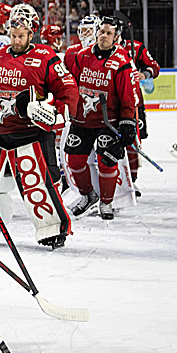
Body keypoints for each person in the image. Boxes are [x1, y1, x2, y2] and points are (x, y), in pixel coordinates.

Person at [0, 3, 79, 249]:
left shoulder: (46, 56)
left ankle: (51, 229)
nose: (16, 39)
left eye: (21, 35)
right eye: (12, 34)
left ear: (32, 33)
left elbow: (68, 90)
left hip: (32, 134)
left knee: (37, 184)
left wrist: (53, 109)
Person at [63, 16, 138, 220]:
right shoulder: (82, 55)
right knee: (74, 161)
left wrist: (128, 123)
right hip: (82, 119)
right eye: (102, 31)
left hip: (109, 122)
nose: (104, 36)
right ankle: (88, 196)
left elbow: (128, 96)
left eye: (109, 33)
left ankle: (107, 202)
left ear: (116, 37)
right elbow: (70, 84)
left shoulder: (122, 62)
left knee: (107, 162)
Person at [116, 18, 161, 191]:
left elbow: (154, 67)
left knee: (133, 140)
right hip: (111, 104)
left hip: (133, 103)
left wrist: (145, 74)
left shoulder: (136, 47)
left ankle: (131, 179)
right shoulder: (101, 49)